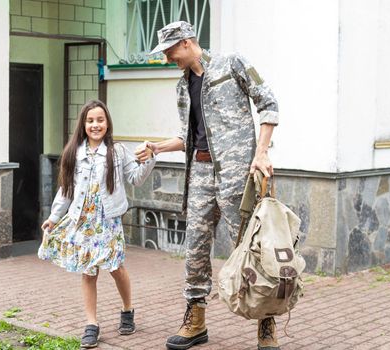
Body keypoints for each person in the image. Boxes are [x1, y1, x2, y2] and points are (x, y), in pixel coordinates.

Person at [135, 21, 281, 350]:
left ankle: (266, 324)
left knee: (252, 250)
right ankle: (196, 321)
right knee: (195, 251)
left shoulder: (233, 64)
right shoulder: (182, 87)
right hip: (199, 174)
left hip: (237, 176)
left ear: (186, 43)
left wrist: (261, 153)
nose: (167, 57)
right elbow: (189, 136)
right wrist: (157, 147)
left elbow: (269, 103)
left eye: (170, 51)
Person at [39, 100, 156, 349]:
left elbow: (136, 178)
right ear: (83, 124)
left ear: (107, 123)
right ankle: (91, 324)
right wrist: (54, 217)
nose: (95, 125)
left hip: (109, 221)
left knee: (116, 269)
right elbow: (66, 190)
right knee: (89, 272)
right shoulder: (74, 153)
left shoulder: (118, 151)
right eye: (90, 120)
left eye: (100, 120)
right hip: (83, 221)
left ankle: (127, 310)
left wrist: (149, 158)